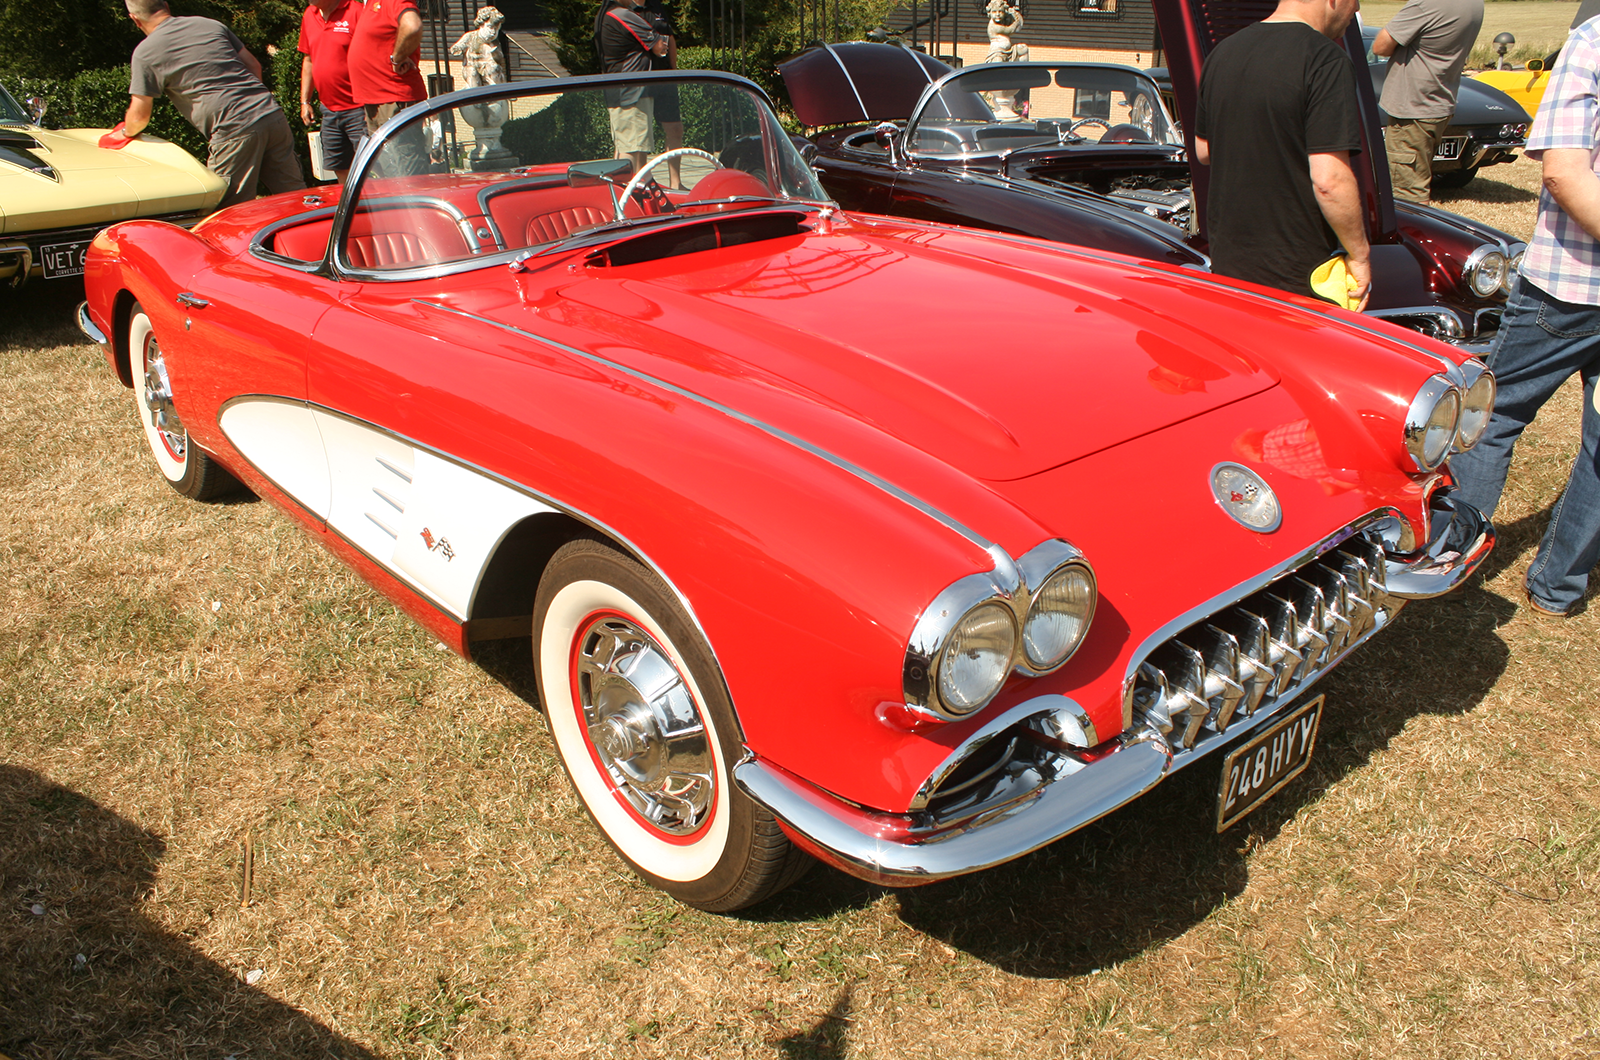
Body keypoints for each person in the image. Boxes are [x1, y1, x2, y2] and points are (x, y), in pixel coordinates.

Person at [1447, 16, 1600, 619]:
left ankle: (1455, 554)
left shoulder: (1594, 39)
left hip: (1569, 281)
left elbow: (1564, 170)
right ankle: (1560, 586)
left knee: (1497, 411)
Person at [1193, 0, 1370, 307]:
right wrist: (1360, 255)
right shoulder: (1326, 59)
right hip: (1297, 276)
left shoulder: (1223, 53)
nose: (1354, 10)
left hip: (1227, 267)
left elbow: (1204, 150)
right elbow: (1329, 180)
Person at [111, 0, 305, 210]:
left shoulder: (146, 52)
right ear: (166, 5)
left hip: (232, 128)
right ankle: (320, 240)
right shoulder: (209, 25)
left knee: (229, 211)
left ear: (135, 19)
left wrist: (124, 132)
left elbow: (139, 117)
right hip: (270, 112)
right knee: (296, 196)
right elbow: (253, 65)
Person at [1371, 0, 1484, 203]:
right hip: (1439, 99)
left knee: (1406, 192)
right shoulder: (1474, 3)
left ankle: (1412, 233)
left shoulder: (1426, 4)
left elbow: (1380, 46)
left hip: (1412, 106)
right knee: (1418, 176)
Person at [347, 0, 427, 175]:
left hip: (393, 100)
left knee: (407, 174)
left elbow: (412, 25)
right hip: (378, 101)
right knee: (390, 173)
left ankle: (414, 204)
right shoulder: (370, 4)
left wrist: (396, 58)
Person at [594, 0, 667, 172]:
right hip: (632, 93)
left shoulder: (603, 15)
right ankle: (629, 195)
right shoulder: (623, 15)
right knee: (632, 151)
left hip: (621, 92)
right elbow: (659, 46)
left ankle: (632, 193)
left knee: (629, 147)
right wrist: (661, 43)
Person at [297, 0, 365, 183]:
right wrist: (305, 101)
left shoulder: (355, 11)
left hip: (360, 108)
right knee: (340, 167)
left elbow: (372, 55)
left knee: (373, 166)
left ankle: (378, 208)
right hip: (329, 110)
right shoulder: (309, 15)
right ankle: (353, 209)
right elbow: (308, 60)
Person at [640, 0, 684, 187]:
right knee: (641, 135)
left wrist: (674, 71)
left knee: (675, 129)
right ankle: (643, 184)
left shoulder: (655, 5)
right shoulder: (624, 8)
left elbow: (669, 37)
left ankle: (676, 183)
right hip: (641, 80)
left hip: (665, 79)